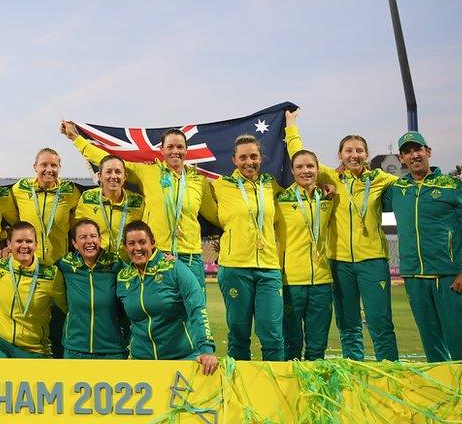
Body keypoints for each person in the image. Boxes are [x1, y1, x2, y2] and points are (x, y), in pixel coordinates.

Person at [284, 109, 399, 361]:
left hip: (373, 261)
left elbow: (410, 183)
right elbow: (298, 153)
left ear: (366, 154)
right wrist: (290, 123)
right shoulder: (330, 177)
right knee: (348, 325)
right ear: (340, 155)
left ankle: (390, 373)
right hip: (339, 262)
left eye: (359, 150)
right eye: (348, 150)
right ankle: (354, 370)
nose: (354, 155)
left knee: (380, 323)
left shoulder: (382, 179)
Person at [63, 121, 213, 288]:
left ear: (186, 150)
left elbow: (214, 214)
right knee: (159, 309)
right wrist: (75, 138)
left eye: (179, 147)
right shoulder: (147, 172)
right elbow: (109, 162)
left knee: (196, 309)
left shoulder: (198, 180)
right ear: (162, 150)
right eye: (170, 147)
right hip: (156, 254)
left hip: (190, 256)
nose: (175, 151)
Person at [384, 131, 462, 363]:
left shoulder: (452, 187)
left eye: (418, 149)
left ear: (428, 151)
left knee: (461, 344)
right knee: (432, 346)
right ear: (401, 158)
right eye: (407, 151)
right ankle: (445, 396)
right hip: (414, 277)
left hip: (449, 277)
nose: (414, 155)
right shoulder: (396, 190)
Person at [201, 134, 285, 361]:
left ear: (261, 158)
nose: (250, 161)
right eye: (244, 157)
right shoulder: (219, 186)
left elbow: (303, 180)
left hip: (268, 268)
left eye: (254, 156)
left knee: (273, 335)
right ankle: (238, 391)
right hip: (235, 268)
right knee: (238, 335)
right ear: (234, 160)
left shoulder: (272, 185)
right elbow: (206, 209)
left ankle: (275, 388)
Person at [116, 221, 217, 374]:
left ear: (152, 243)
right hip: (142, 363)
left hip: (182, 360)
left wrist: (207, 349)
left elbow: (197, 308)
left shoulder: (173, 268)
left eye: (142, 242)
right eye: (131, 243)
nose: (137, 248)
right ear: (126, 247)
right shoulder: (124, 278)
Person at [274, 150, 335, 360]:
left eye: (310, 166)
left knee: (317, 349)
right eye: (299, 166)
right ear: (292, 170)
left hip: (323, 281)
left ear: (318, 169)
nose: (305, 171)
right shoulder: (279, 200)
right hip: (290, 282)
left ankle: (315, 392)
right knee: (291, 346)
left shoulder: (329, 198)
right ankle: (290, 391)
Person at [0, 222, 67, 358]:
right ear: (9, 244)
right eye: (18, 241)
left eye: (29, 241)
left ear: (36, 244)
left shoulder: (51, 274)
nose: (24, 246)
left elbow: (66, 307)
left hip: (34, 348)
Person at [55, 219, 126, 359]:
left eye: (93, 236)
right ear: (74, 243)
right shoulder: (65, 264)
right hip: (75, 349)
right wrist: (9, 252)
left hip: (112, 350)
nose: (89, 241)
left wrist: (163, 259)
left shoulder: (115, 264)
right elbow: (37, 268)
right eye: (83, 237)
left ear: (100, 239)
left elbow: (141, 274)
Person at [9, 148, 81, 265]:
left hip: (59, 262)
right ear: (35, 167)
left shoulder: (70, 191)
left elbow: (77, 223)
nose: (49, 169)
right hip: (27, 261)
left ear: (59, 168)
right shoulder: (19, 189)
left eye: (54, 165)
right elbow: (11, 218)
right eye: (44, 165)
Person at [71, 155, 144, 257]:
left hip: (127, 267)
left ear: (125, 176)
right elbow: (76, 229)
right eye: (108, 172)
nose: (113, 176)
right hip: (96, 266)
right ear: (100, 176)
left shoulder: (137, 202)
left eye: (118, 172)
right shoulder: (87, 198)